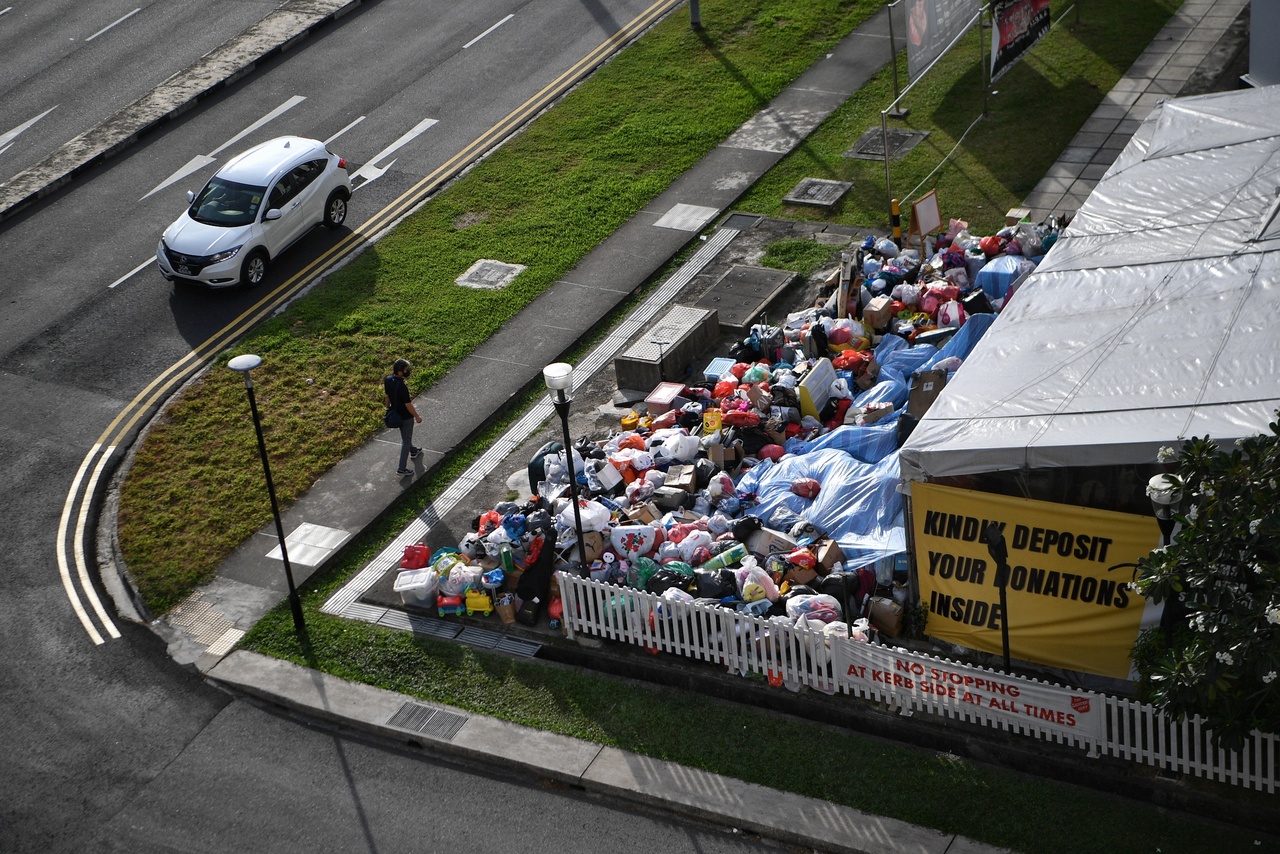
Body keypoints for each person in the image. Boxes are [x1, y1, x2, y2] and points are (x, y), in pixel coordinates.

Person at [384, 358, 422, 477]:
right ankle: (401, 468)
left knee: (406, 436)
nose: (408, 371)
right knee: (405, 441)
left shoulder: (388, 380)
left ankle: (414, 450)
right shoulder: (402, 387)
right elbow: (408, 404)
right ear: (400, 372)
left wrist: (387, 408)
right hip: (406, 417)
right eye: (406, 369)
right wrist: (417, 416)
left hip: (395, 414)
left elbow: (388, 397)